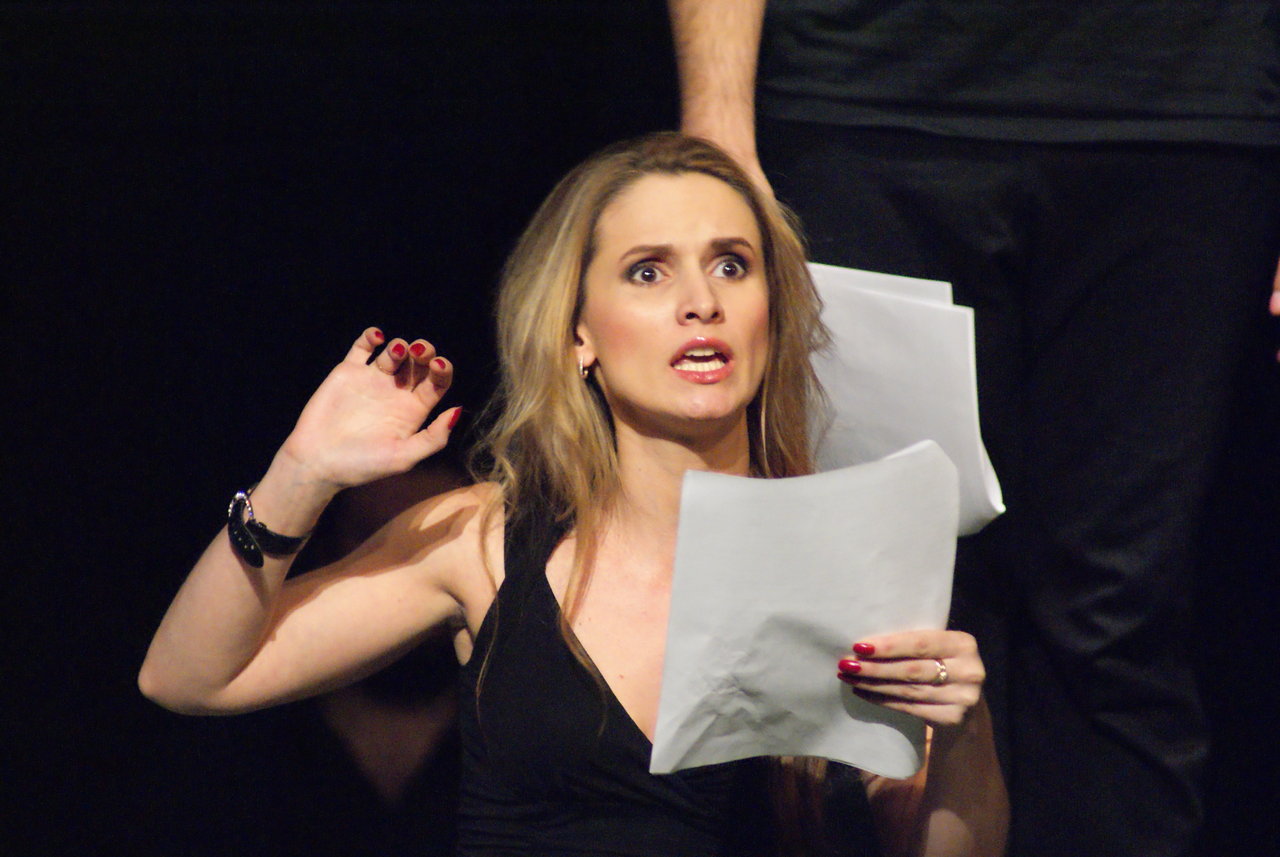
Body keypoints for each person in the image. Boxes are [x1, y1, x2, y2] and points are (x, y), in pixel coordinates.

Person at [139, 132, 1008, 856]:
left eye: (731, 265)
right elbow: (189, 676)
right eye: (648, 272)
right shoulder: (483, 540)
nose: (700, 301)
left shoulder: (854, 551)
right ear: (578, 334)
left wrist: (965, 735)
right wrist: (301, 472)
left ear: (771, 314)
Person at [666, 3, 1280, 856]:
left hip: (1183, 112)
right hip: (866, 96)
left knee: (1117, 610)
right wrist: (716, 124)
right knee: (876, 607)